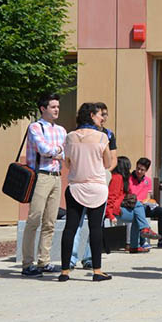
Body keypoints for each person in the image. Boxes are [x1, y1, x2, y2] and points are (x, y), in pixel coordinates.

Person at [58, 103, 113, 282]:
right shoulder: (102, 137)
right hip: (97, 187)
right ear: (91, 115)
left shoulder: (69, 137)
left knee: (70, 228)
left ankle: (65, 271)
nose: (102, 118)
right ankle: (97, 271)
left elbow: (67, 163)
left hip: (75, 187)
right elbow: (107, 163)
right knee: (95, 228)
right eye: (99, 115)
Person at [21, 93, 67, 277]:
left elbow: (66, 152)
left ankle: (44, 261)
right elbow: (45, 150)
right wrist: (59, 151)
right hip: (40, 176)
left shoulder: (62, 130)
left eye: (57, 106)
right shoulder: (35, 127)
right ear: (43, 108)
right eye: (53, 106)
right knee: (34, 219)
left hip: (56, 176)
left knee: (50, 221)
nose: (57, 109)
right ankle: (27, 263)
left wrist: (58, 152)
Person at [105, 156, 161, 253]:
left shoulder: (121, 178)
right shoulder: (117, 178)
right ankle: (143, 231)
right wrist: (110, 214)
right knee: (138, 207)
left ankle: (135, 244)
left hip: (119, 207)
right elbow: (111, 198)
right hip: (115, 210)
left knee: (137, 214)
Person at [130, 157, 162, 247]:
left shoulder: (148, 181)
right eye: (138, 168)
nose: (139, 171)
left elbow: (148, 196)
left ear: (146, 170)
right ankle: (143, 241)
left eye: (142, 170)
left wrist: (148, 202)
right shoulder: (129, 179)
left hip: (145, 205)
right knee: (140, 209)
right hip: (134, 206)